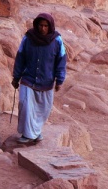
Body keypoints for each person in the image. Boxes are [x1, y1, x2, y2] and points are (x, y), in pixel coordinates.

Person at [11, 13, 67, 143]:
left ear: (50, 26)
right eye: (40, 25)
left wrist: (60, 80)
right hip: (28, 79)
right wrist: (16, 77)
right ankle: (27, 134)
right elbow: (20, 57)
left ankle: (36, 132)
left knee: (43, 109)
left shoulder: (57, 40)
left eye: (46, 26)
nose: (43, 28)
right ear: (36, 25)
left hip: (46, 80)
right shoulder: (28, 38)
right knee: (25, 105)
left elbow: (61, 60)